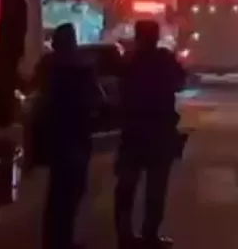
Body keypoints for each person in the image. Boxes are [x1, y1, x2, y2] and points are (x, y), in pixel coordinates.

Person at [114, 20, 186, 248]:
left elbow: (121, 93)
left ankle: (125, 236)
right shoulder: (162, 60)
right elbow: (180, 81)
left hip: (134, 132)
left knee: (127, 187)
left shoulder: (130, 61)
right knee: (155, 188)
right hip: (158, 131)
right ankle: (149, 234)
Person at [36, 23, 99, 249]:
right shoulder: (80, 67)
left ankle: (54, 240)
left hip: (57, 135)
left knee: (58, 191)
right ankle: (61, 240)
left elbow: (41, 98)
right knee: (73, 189)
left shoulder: (49, 65)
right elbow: (94, 99)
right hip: (76, 134)